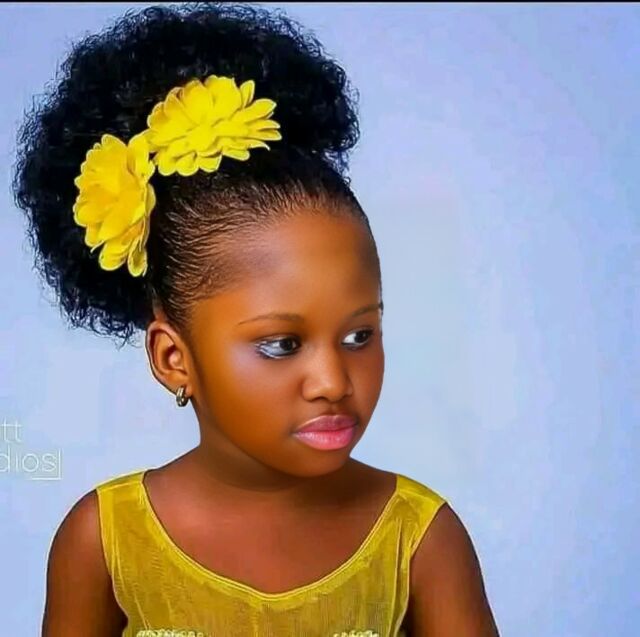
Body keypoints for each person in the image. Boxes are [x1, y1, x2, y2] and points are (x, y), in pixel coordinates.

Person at [14, 3, 500, 636]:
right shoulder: (102, 543)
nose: (333, 381)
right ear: (173, 358)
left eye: (359, 335)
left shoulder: (421, 540)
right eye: (281, 344)